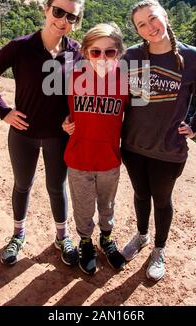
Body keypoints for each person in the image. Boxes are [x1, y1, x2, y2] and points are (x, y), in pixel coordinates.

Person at [0, 0, 84, 267]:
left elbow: (85, 94)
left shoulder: (76, 53)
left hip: (57, 136)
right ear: (46, 10)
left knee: (56, 186)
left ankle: (62, 237)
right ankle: (18, 235)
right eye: (58, 12)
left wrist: (74, 119)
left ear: (76, 22)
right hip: (22, 134)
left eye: (70, 16)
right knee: (22, 185)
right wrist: (4, 112)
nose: (62, 20)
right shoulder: (20, 47)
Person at [121, 0, 196, 281]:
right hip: (132, 146)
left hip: (168, 150)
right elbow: (106, 88)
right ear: (137, 31)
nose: (150, 27)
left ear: (164, 16)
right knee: (141, 194)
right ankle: (141, 236)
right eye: (141, 24)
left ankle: (159, 248)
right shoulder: (131, 56)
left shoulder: (192, 59)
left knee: (162, 200)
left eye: (152, 18)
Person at [62, 23, 128, 275]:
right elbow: (56, 109)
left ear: (119, 53)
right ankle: (86, 241)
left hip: (109, 159)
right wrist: (62, 121)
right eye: (95, 52)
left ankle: (106, 238)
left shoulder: (126, 80)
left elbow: (141, 115)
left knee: (107, 205)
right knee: (83, 206)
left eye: (109, 52)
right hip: (79, 158)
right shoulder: (72, 76)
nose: (102, 58)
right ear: (86, 51)